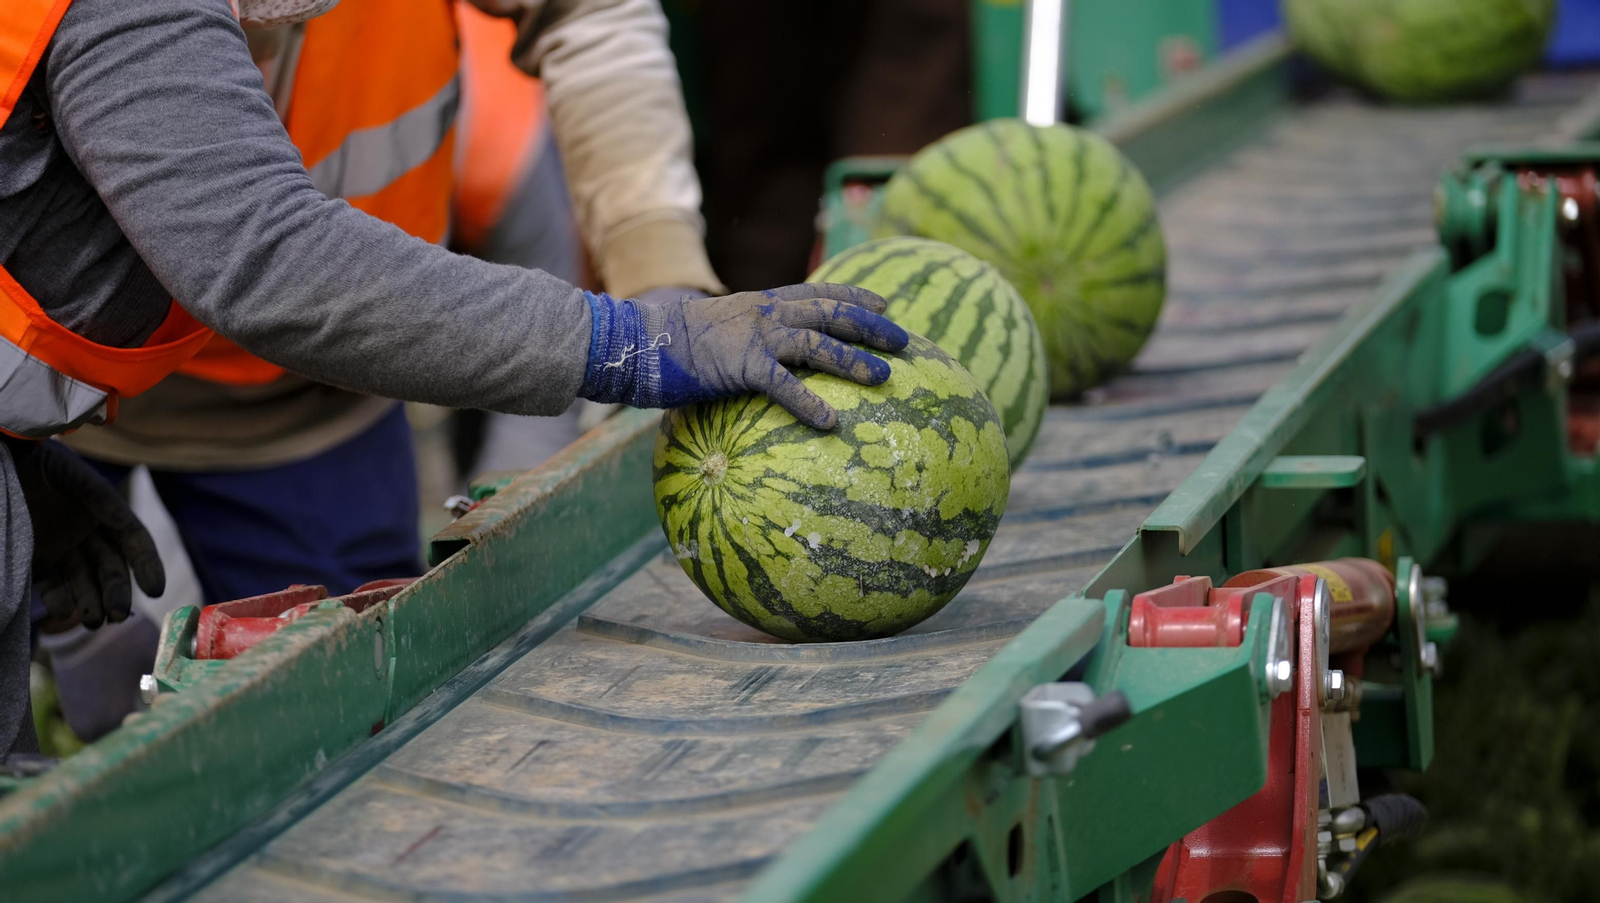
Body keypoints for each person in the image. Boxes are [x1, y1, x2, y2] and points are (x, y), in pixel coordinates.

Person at [0, 0, 908, 759]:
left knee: (343, 747)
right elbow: (264, 255)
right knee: (90, 721)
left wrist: (656, 264)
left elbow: (589, 17)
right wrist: (637, 343)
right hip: (135, 370)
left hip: (309, 396)